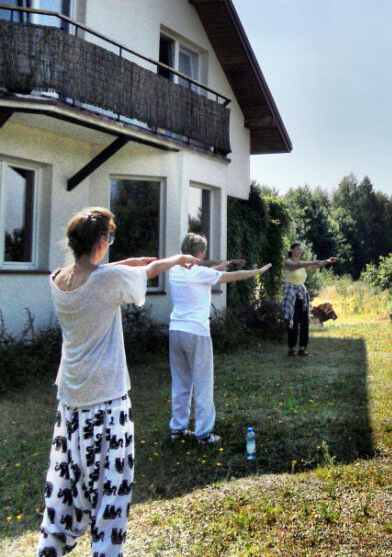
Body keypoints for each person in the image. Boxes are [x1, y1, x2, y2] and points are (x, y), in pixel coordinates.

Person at [37, 207, 199, 557]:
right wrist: (178, 258)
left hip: (71, 405)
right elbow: (146, 271)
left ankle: (50, 547)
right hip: (107, 405)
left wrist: (127, 262)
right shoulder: (107, 280)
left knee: (64, 493)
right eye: (108, 239)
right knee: (110, 496)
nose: (109, 245)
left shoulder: (57, 279)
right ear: (99, 241)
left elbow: (98, 273)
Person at [168, 232, 271, 444]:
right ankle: (203, 434)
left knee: (181, 382)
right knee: (203, 383)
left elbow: (201, 272)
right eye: (204, 252)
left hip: (176, 331)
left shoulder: (175, 271)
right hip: (196, 333)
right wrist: (258, 271)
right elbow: (234, 276)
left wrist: (219, 267)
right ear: (200, 252)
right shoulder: (201, 273)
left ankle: (177, 429)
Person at [282, 242, 336, 356]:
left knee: (304, 321)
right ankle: (291, 349)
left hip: (301, 293)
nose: (300, 251)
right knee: (293, 321)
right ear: (291, 250)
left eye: (301, 249)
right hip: (291, 293)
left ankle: (303, 348)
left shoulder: (303, 265)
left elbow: (317, 265)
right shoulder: (287, 263)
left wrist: (327, 261)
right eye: (297, 249)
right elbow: (297, 265)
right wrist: (313, 262)